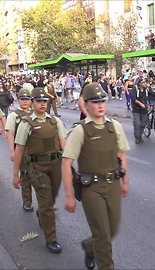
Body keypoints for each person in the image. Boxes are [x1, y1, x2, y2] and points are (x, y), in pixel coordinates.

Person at [62, 83, 130, 270]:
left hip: (113, 184)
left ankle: (89, 247)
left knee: (112, 230)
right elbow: (67, 163)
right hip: (91, 189)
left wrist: (125, 182)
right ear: (86, 104)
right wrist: (69, 195)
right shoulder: (80, 130)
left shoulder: (114, 126)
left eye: (103, 101)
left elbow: (121, 155)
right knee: (103, 236)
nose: (100, 105)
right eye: (95, 102)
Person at [12, 87, 66, 253]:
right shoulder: (26, 124)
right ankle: (51, 238)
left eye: (44, 101)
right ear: (33, 103)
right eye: (38, 101)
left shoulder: (55, 121)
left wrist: (69, 164)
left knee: (51, 199)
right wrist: (16, 175)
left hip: (55, 165)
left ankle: (43, 213)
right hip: (36, 168)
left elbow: (64, 144)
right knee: (46, 201)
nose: (42, 104)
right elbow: (19, 150)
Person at [6, 89, 33, 212]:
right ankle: (27, 201)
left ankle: (45, 204)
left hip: (37, 150)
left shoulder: (35, 113)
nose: (25, 101)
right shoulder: (14, 115)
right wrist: (12, 151)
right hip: (22, 151)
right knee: (26, 177)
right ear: (18, 100)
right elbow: (10, 134)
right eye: (23, 99)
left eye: (27, 99)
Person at [131, 78, 155, 144]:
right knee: (137, 123)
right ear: (140, 84)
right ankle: (137, 137)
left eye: (146, 82)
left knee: (143, 124)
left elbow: (153, 94)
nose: (146, 84)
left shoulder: (147, 89)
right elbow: (134, 98)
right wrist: (140, 103)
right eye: (144, 82)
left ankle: (139, 135)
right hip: (136, 109)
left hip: (144, 109)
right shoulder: (135, 89)